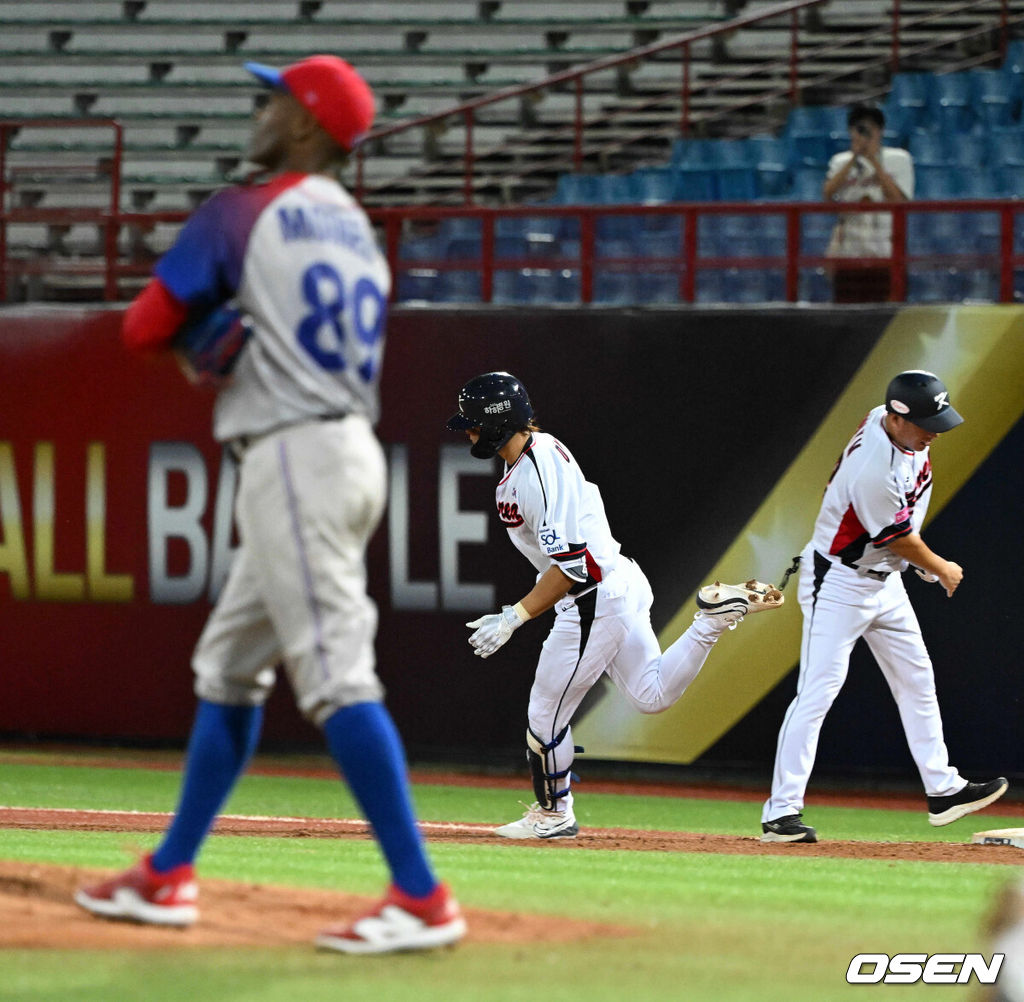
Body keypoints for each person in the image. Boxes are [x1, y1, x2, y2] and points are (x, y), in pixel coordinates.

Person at [74, 55, 466, 955]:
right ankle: (169, 872)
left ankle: (420, 895)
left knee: (337, 676)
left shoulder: (242, 210)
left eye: (276, 97)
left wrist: (197, 344)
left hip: (293, 455)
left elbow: (143, 327)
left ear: (308, 125)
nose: (261, 108)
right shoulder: (360, 232)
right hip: (345, 447)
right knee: (229, 668)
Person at [447, 371, 784, 839]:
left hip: (592, 595)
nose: (469, 432)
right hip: (613, 583)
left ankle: (553, 815)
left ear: (500, 423)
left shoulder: (540, 469)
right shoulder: (527, 458)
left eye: (475, 423)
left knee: (545, 713)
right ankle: (710, 621)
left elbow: (571, 568)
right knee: (651, 696)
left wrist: (515, 616)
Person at [760, 370, 1008, 844]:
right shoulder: (875, 464)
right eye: (926, 420)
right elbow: (895, 535)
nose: (935, 429)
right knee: (818, 692)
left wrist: (915, 563)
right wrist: (940, 567)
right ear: (896, 417)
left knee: (917, 676)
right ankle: (780, 813)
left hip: (883, 580)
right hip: (840, 582)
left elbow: (898, 527)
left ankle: (943, 790)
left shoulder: (889, 422)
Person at [823, 103, 914, 303]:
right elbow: (828, 195)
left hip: (885, 251)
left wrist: (874, 161)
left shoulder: (899, 159)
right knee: (846, 313)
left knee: (883, 313)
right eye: (858, 129)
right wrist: (854, 157)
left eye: (868, 129)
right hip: (849, 252)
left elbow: (899, 201)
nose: (863, 135)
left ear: (880, 131)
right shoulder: (840, 161)